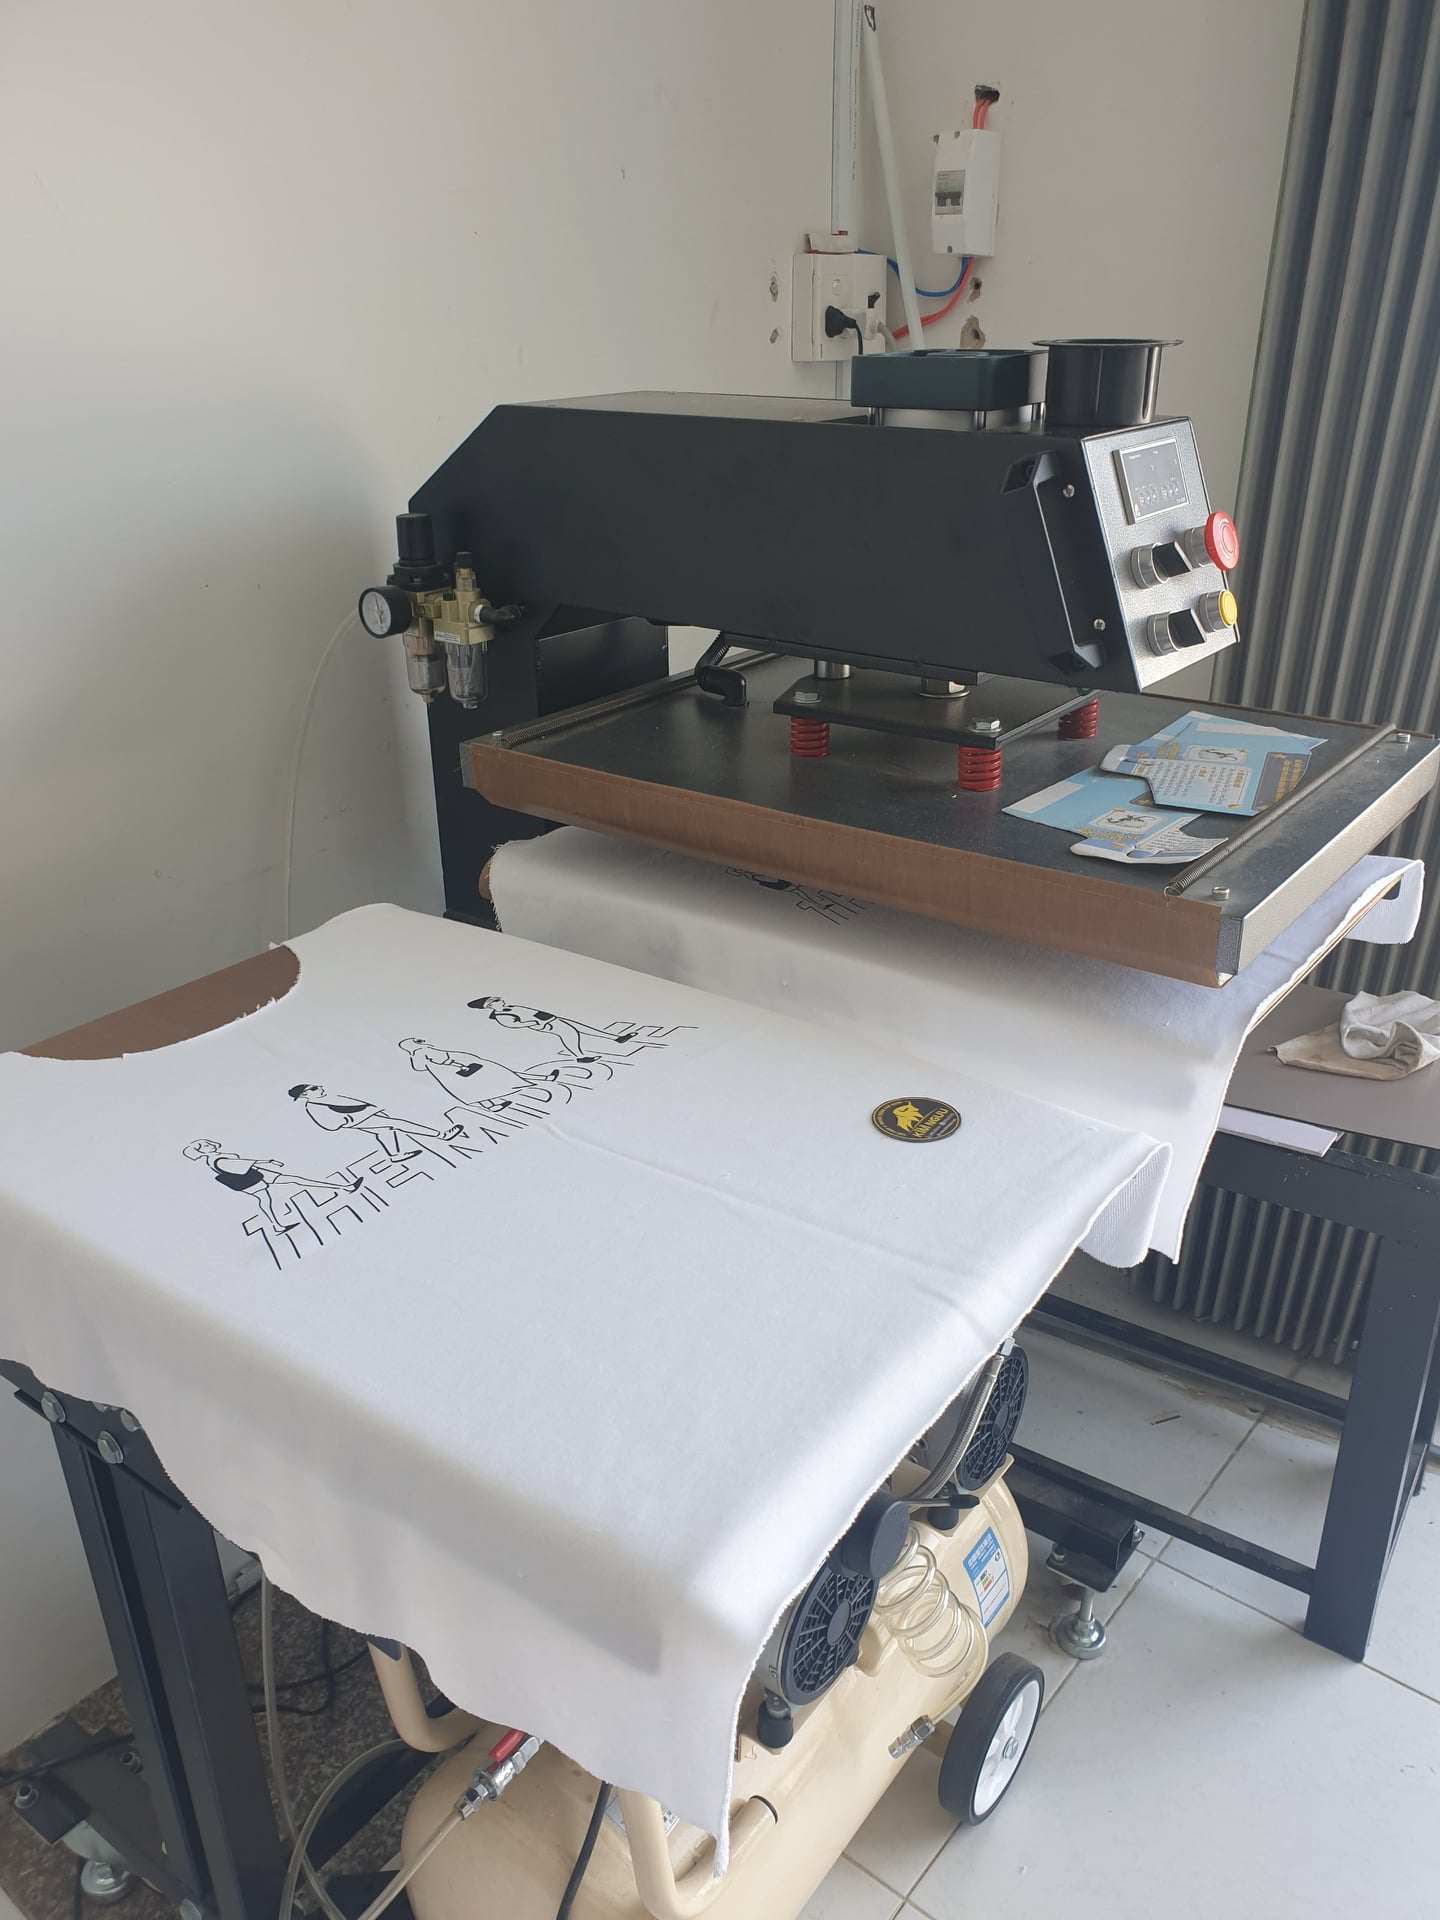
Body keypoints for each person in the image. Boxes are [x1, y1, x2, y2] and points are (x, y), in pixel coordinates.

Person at [184, 1140, 359, 1235]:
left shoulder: (215, 1158)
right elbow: (240, 1165)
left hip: (255, 1174)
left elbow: (242, 1164)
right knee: (268, 1198)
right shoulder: (216, 1160)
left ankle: (345, 1187)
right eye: (205, 1145)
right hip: (250, 1178)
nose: (210, 1144)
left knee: (295, 1180)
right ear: (201, 1151)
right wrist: (267, 1161)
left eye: (207, 1143)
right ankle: (277, 1225)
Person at [286, 1085, 463, 1169]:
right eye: (314, 1088)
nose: (320, 1087)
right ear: (305, 1094)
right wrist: (357, 1117)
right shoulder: (314, 1106)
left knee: (386, 1130)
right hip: (359, 1120)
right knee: (396, 1123)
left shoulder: (323, 1099)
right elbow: (331, 1124)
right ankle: (441, 1135)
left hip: (365, 1115)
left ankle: (395, 1155)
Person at [467, 995, 672, 1065]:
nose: (500, 1000)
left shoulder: (510, 1007)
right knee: (570, 1034)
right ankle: (580, 1057)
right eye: (495, 1000)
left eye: (498, 998)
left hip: (547, 1017)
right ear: (490, 1006)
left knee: (582, 1028)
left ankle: (615, 1038)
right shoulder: (501, 1015)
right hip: (543, 1023)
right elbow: (515, 1025)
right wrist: (535, 1024)